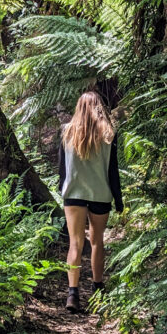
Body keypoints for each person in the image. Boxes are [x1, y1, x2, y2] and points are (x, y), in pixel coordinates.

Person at [57, 90, 123, 313]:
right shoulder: (109, 135)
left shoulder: (67, 133)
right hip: (100, 195)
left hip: (73, 195)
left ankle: (73, 294)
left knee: (75, 243)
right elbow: (113, 172)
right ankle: (98, 289)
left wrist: (62, 189)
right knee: (97, 241)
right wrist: (119, 200)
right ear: (99, 108)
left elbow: (62, 169)